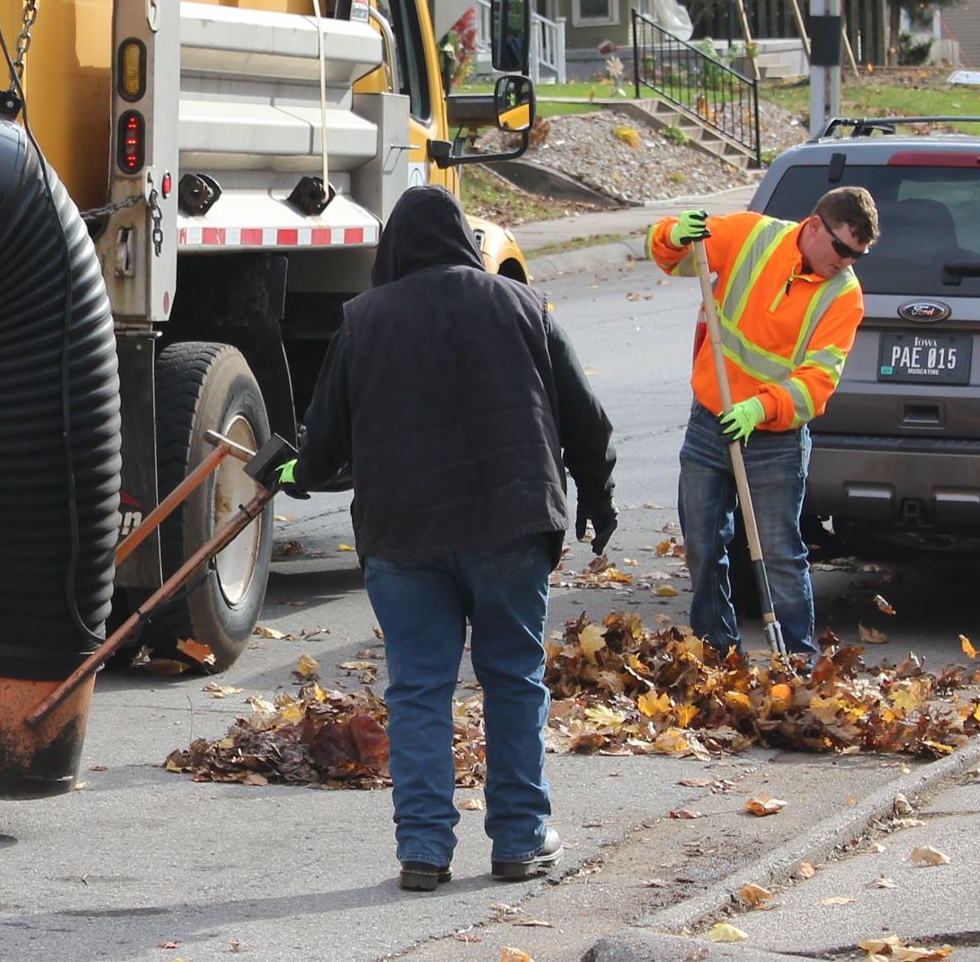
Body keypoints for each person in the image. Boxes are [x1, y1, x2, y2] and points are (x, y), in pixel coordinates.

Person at [281, 185, 618, 893]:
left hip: (404, 534)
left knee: (419, 691)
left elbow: (323, 440)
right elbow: (585, 417)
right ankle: (521, 838)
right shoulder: (525, 306)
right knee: (513, 680)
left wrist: (294, 472)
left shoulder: (363, 320)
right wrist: (598, 497)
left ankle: (425, 850)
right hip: (511, 524)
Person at [648, 188, 876, 661]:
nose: (846, 262)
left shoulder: (844, 296)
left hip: (775, 440)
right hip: (710, 421)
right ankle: (717, 651)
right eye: (841, 248)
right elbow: (670, 256)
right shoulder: (751, 236)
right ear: (814, 226)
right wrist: (673, 232)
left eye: (857, 254)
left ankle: (795, 661)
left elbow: (817, 383)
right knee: (702, 545)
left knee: (779, 555)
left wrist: (759, 409)